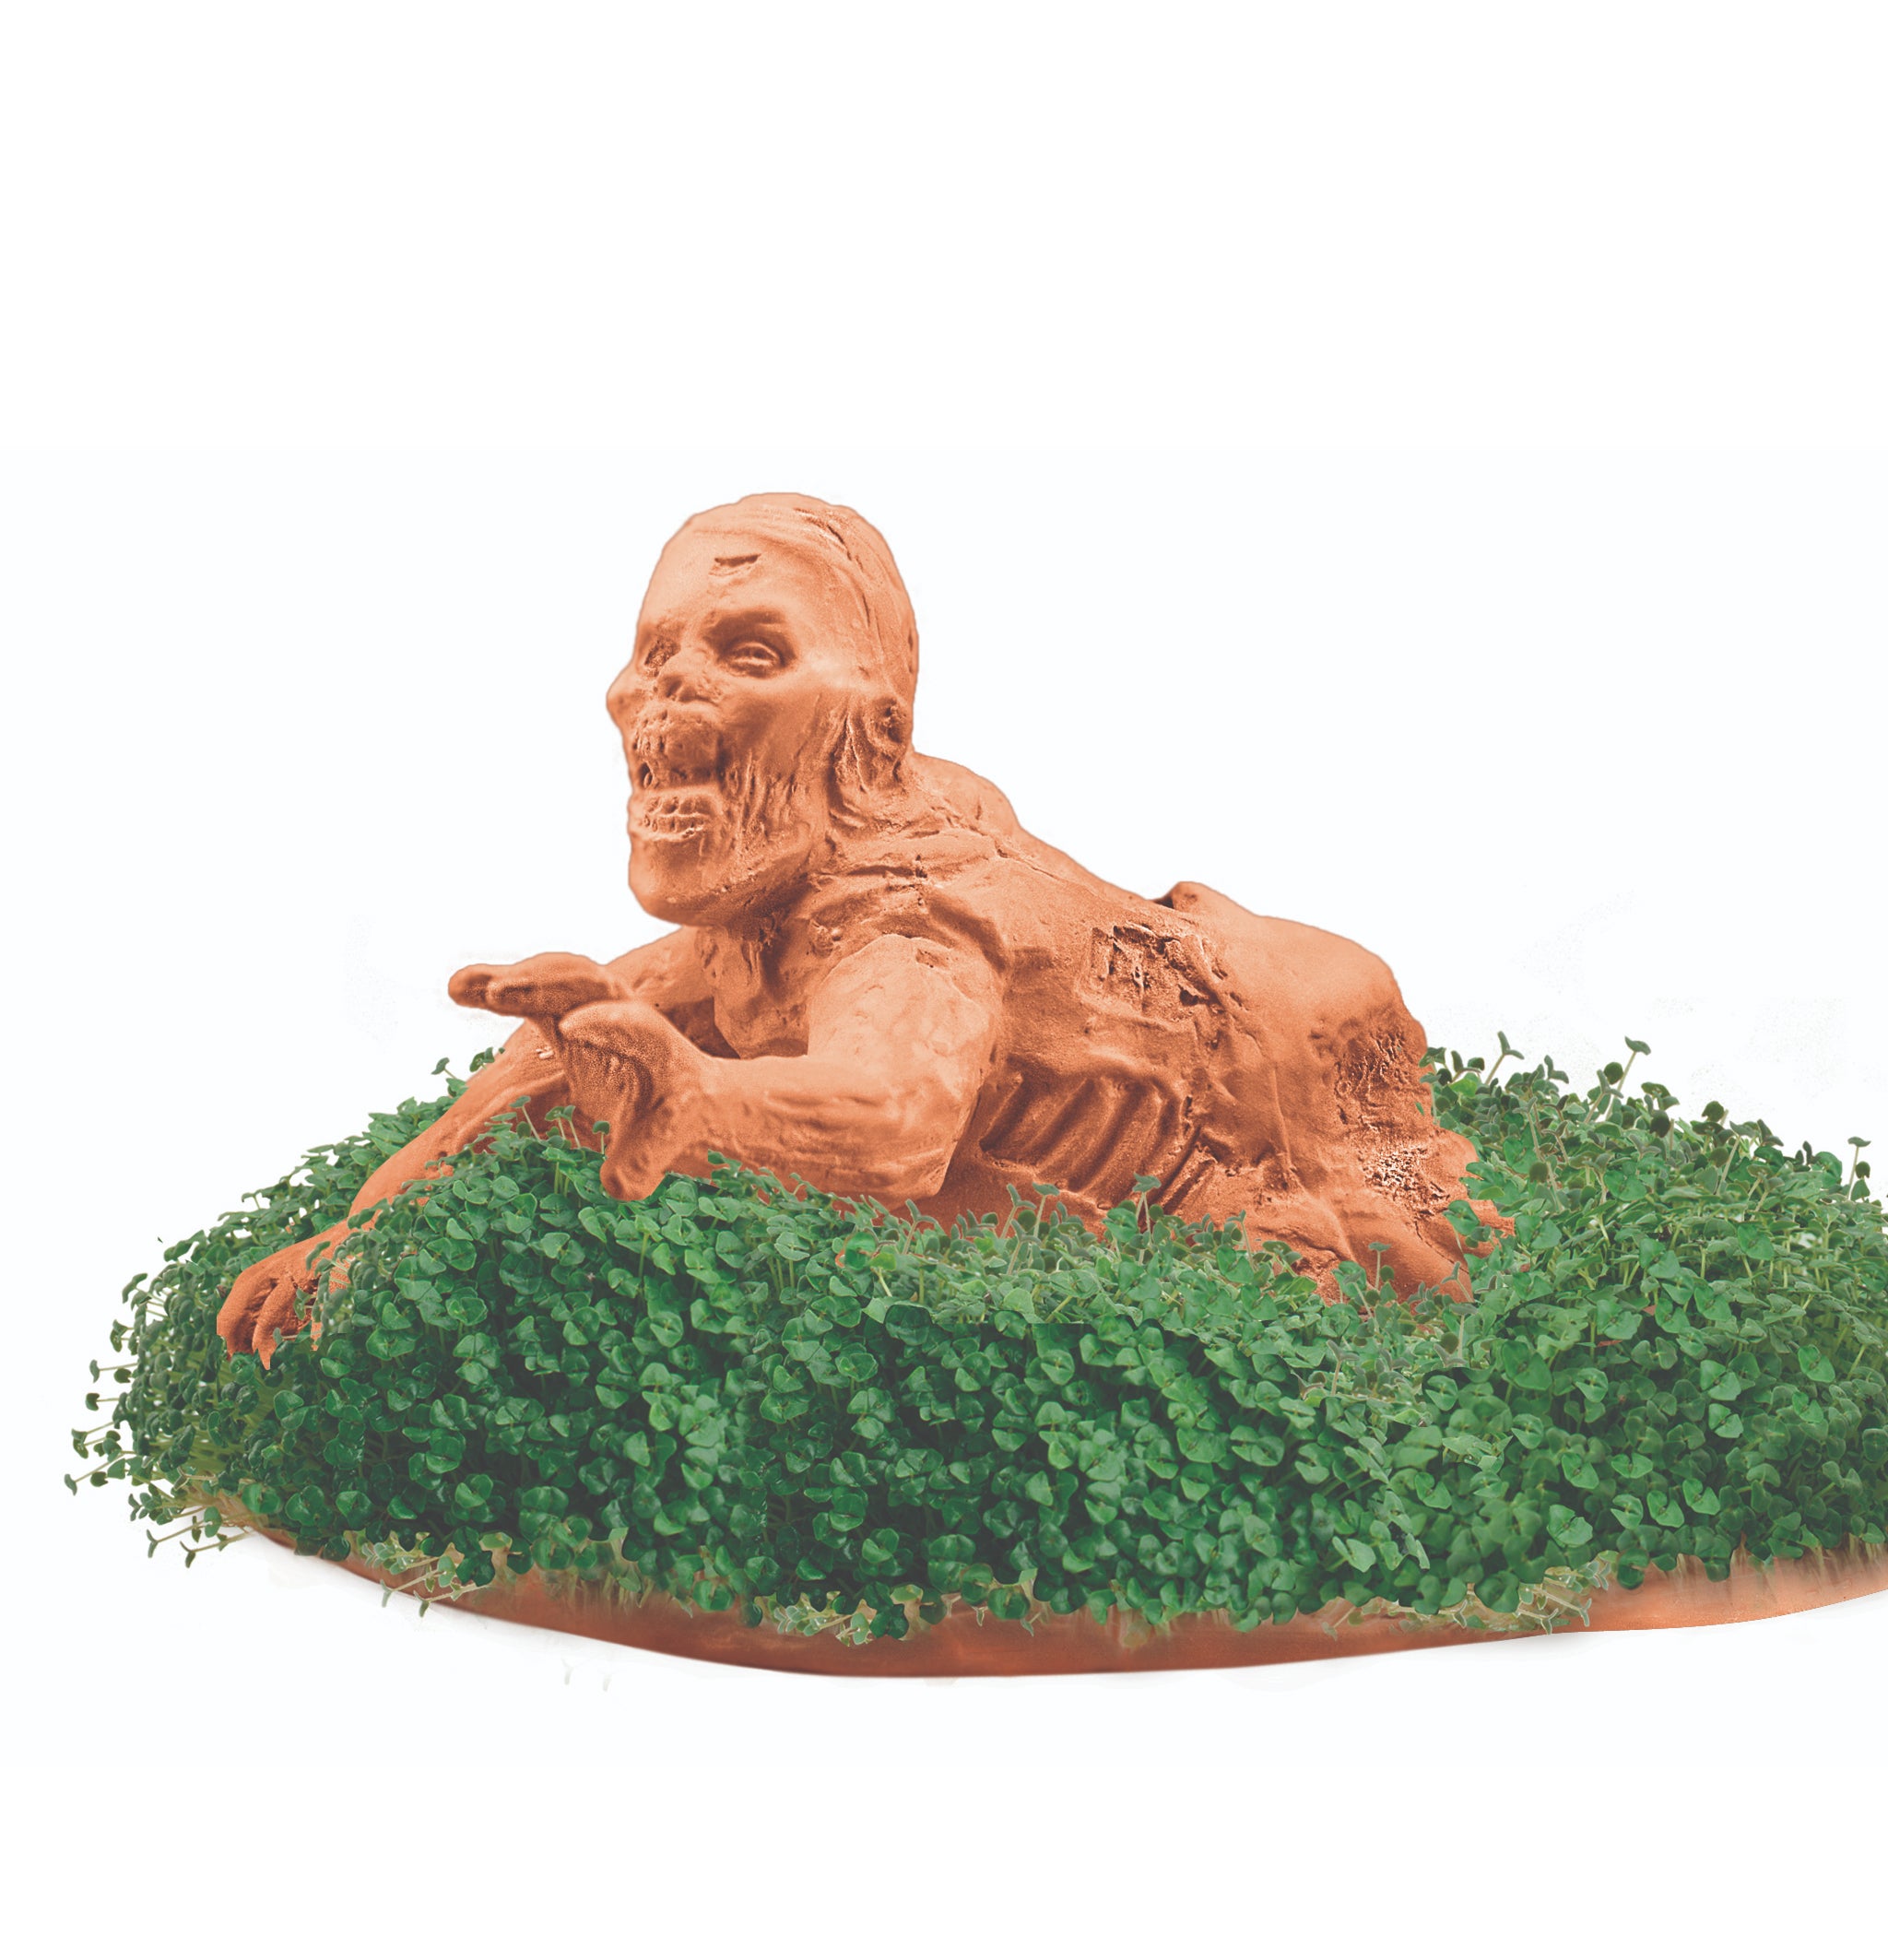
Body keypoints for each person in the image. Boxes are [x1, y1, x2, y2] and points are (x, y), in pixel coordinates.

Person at [219, 495, 1491, 1360]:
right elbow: (551, 1059)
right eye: (655, 651)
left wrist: (704, 1100)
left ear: (869, 734)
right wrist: (356, 1239)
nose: (664, 688)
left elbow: (892, 1120)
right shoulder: (776, 884)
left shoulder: (912, 928)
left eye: (749, 653)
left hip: (1294, 1043)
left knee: (1397, 1260)